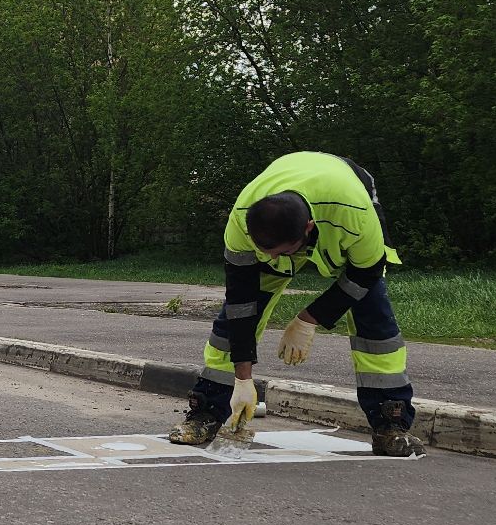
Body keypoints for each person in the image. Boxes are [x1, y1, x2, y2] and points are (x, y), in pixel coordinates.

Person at [167, 151, 422, 457]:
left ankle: (390, 423)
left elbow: (365, 273)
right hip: (297, 209)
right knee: (230, 324)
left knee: (373, 316)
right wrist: (243, 379)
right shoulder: (241, 221)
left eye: (281, 252)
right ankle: (208, 408)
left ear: (308, 229)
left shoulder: (355, 214)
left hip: (343, 198)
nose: (272, 259)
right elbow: (240, 302)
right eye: (266, 251)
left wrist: (310, 317)